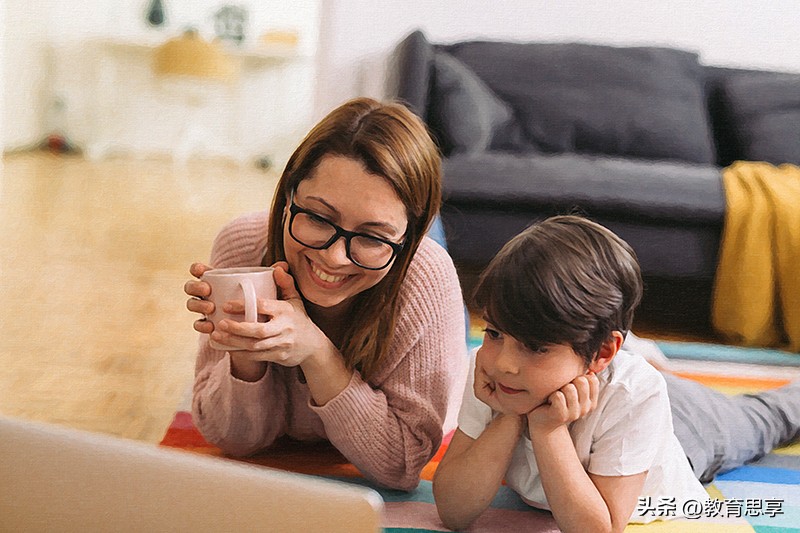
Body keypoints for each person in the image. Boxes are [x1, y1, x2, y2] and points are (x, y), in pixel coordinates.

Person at [432, 215, 800, 532]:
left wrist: (548, 430)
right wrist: (510, 417)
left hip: (688, 432)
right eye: (495, 332)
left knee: (768, 417)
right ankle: (638, 352)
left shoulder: (634, 393)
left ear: (602, 353)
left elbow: (600, 528)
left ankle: (646, 360)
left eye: (535, 346)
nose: (503, 363)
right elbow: (453, 511)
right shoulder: (497, 372)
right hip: (603, 374)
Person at [184, 97, 467, 491]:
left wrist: (316, 351)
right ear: (287, 198)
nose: (333, 258)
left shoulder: (425, 279)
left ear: (408, 239)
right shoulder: (244, 248)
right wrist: (246, 354)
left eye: (371, 235)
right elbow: (231, 440)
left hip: (407, 283)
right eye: (318, 217)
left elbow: (402, 465)